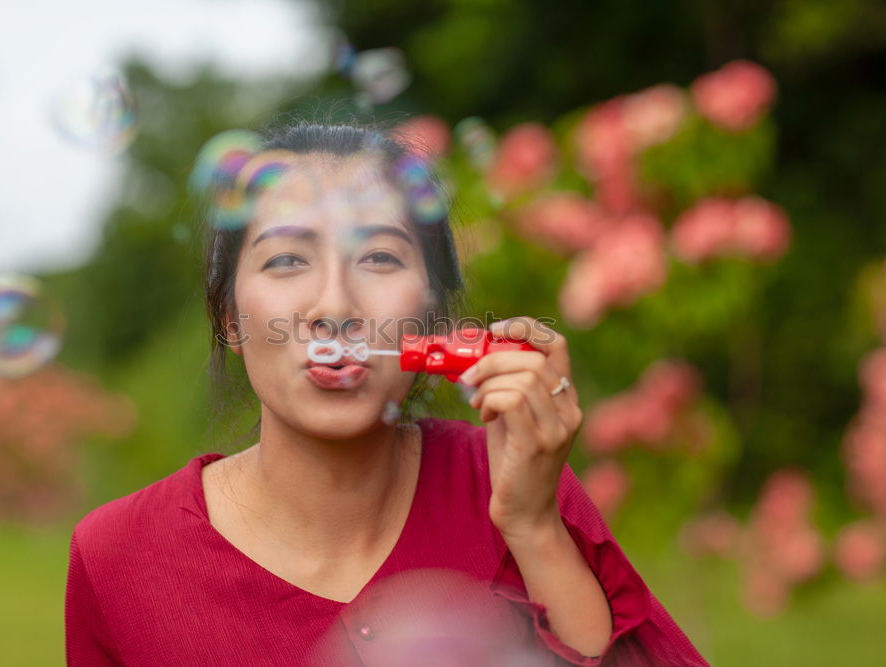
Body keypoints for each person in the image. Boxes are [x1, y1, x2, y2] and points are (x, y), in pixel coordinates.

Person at [64, 121, 711, 666]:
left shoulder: (517, 481)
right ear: (230, 316)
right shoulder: (119, 557)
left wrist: (534, 526)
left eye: (377, 258)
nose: (335, 307)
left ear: (429, 315)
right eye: (288, 259)